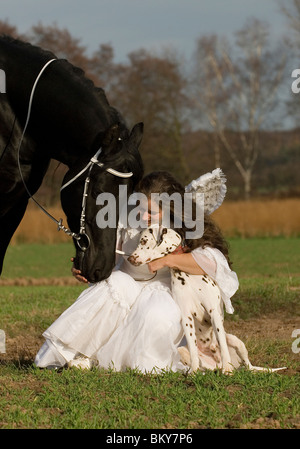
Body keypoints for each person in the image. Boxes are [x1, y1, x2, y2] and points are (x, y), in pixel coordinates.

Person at [34, 171, 238, 373]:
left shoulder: (184, 226)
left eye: (151, 212)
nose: (143, 216)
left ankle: (116, 361)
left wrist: (168, 260)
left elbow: (212, 263)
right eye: (140, 209)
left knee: (156, 314)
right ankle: (71, 355)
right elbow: (108, 257)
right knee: (111, 287)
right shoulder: (126, 220)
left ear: (169, 209)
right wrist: (85, 268)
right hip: (128, 281)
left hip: (164, 289)